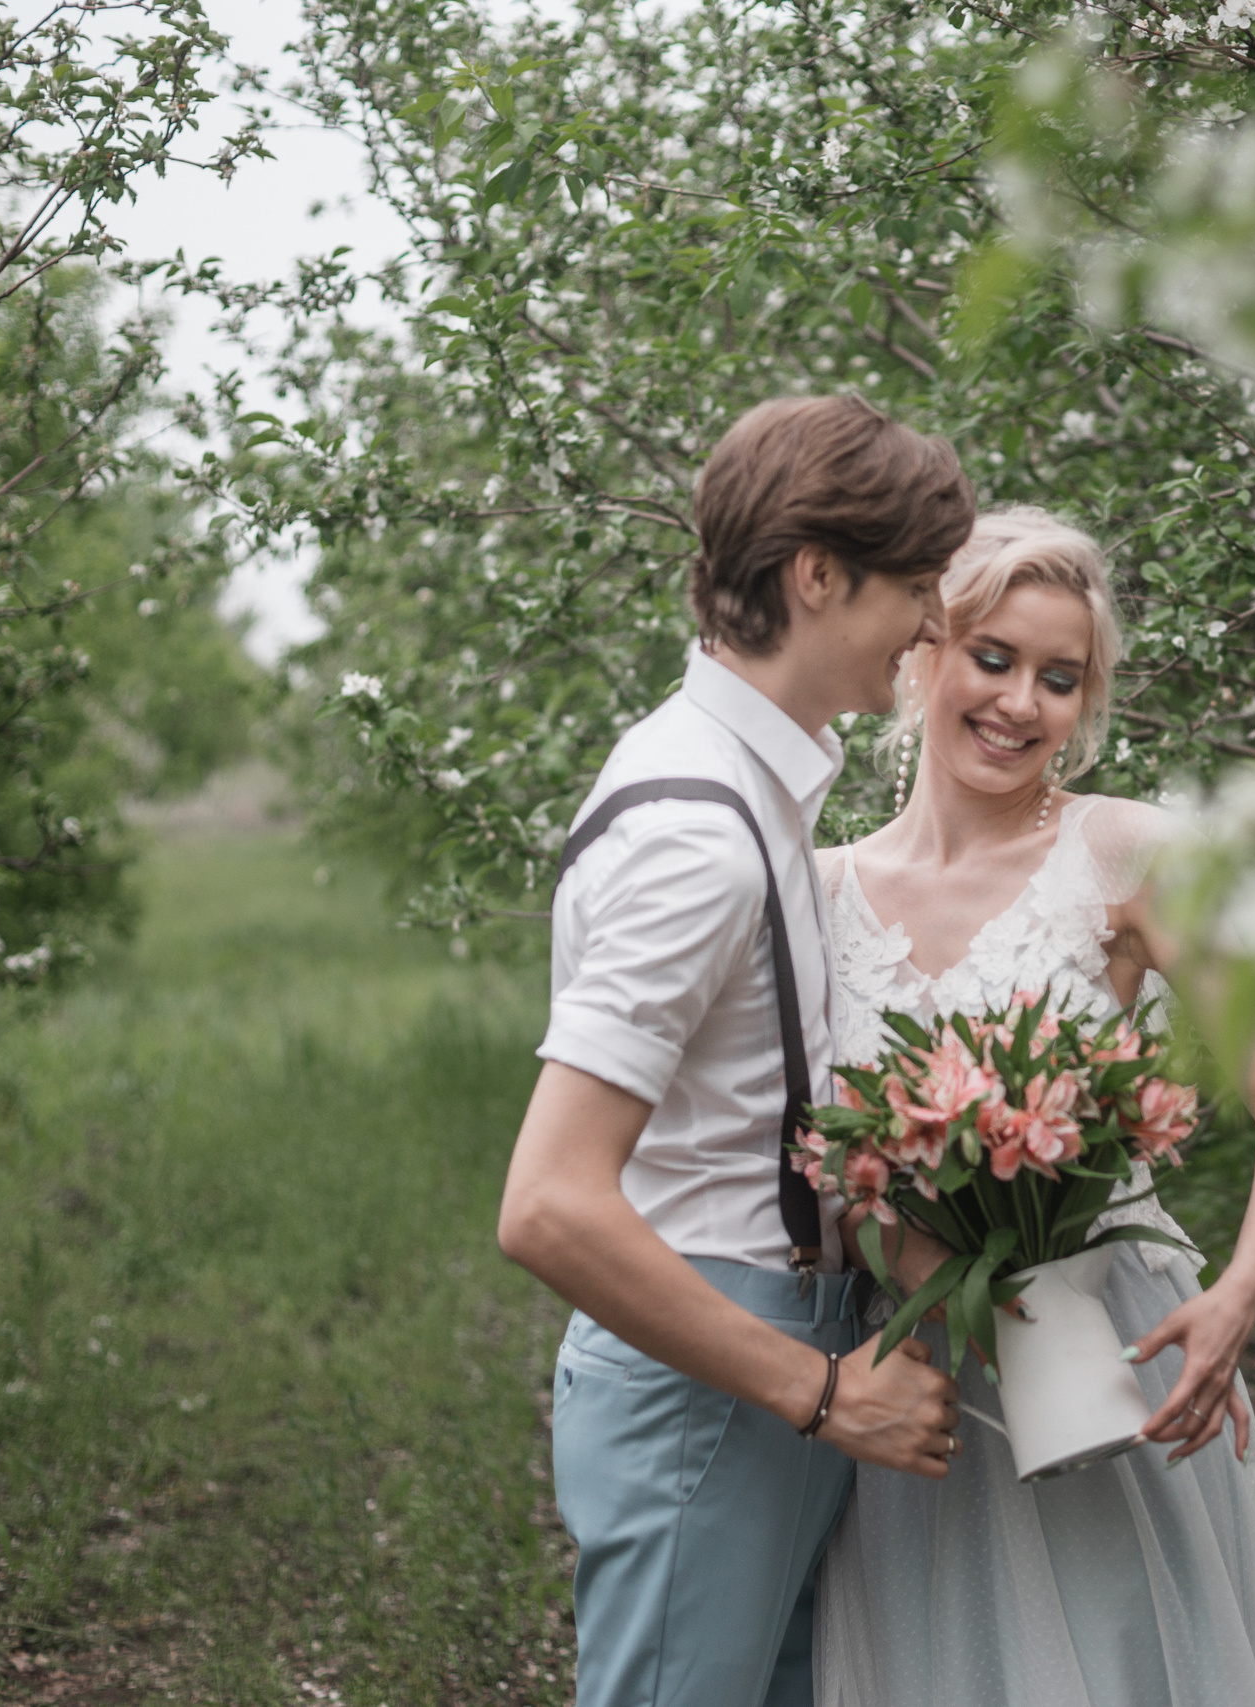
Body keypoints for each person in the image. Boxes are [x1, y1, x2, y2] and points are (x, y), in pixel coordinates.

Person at [810, 506, 1255, 1707]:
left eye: (1061, 679)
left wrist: (1234, 1302)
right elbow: (809, 1173)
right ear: (922, 656)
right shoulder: (820, 888)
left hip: (1123, 1355)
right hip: (923, 1391)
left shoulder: (1128, 854)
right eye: (993, 658)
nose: (1020, 704)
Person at [497, 394, 975, 1707]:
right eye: (918, 588)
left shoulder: (747, 787)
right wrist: (823, 1390)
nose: (935, 626)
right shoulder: (696, 834)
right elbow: (547, 1202)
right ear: (818, 574)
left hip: (756, 1365)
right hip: (716, 1376)